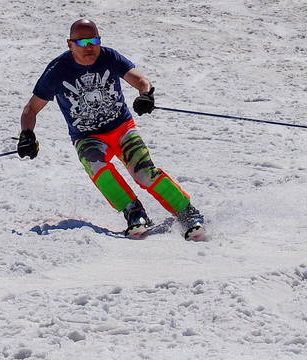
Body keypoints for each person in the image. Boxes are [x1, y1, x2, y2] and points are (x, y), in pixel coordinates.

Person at [17, 18, 205, 240]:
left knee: (143, 172)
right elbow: (31, 109)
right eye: (82, 42)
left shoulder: (109, 57)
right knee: (96, 167)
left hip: (121, 128)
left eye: (93, 40)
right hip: (87, 137)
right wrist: (27, 136)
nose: (89, 47)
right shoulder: (57, 71)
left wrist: (145, 95)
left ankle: (187, 212)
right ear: (70, 44)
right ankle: (134, 213)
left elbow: (140, 80)